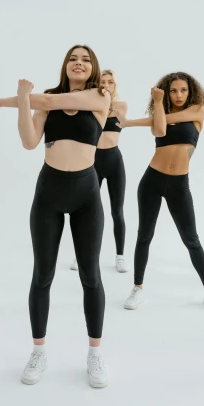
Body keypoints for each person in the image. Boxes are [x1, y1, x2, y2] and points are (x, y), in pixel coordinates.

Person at [0, 45, 110, 388]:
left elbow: (45, 103)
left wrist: (7, 100)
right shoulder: (46, 97)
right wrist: (20, 101)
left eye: (86, 59)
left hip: (86, 194)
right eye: (73, 58)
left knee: (90, 276)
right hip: (49, 191)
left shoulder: (98, 96)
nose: (79, 63)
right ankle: (38, 351)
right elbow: (30, 141)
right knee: (42, 274)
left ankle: (94, 355)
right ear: (65, 65)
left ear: (93, 69)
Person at [117, 72, 204, 314]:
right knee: (144, 236)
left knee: (191, 239)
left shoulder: (197, 111)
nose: (179, 95)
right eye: (173, 91)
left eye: (183, 90)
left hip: (179, 184)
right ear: (166, 93)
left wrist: (132, 121)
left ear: (191, 92)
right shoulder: (160, 112)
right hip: (152, 180)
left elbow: (165, 120)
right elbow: (159, 129)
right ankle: (137, 287)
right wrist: (152, 107)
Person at [69, 69, 128, 273]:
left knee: (117, 210)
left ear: (114, 85)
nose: (106, 85)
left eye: (110, 82)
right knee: (87, 212)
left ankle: (120, 255)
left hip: (114, 161)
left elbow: (112, 113)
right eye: (102, 82)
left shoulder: (121, 106)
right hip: (91, 162)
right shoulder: (90, 105)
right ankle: (81, 255)